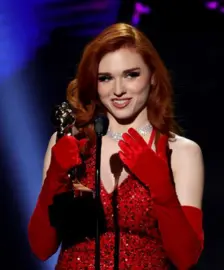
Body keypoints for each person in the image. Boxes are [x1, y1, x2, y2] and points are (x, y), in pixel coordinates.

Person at [28, 23, 205, 269]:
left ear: (153, 76)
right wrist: (54, 179)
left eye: (131, 75)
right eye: (106, 78)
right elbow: (41, 247)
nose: (118, 90)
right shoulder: (69, 142)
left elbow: (186, 257)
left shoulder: (181, 152)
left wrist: (161, 186)